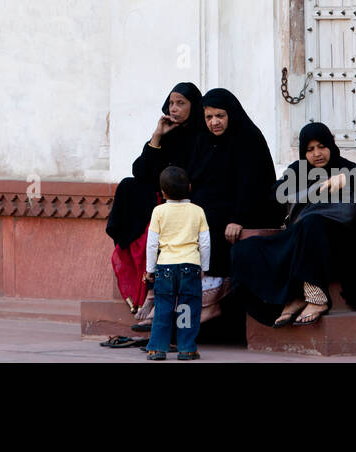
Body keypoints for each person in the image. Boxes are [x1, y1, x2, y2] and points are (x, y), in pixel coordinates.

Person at [230, 121, 356, 327]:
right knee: (245, 249)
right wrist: (313, 190)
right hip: (299, 234)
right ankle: (293, 298)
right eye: (310, 149)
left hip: (334, 240)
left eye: (322, 147)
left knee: (312, 224)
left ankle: (317, 298)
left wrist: (348, 179)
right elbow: (275, 196)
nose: (317, 154)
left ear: (331, 146)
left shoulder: (344, 167)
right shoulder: (298, 170)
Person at [104, 83, 205, 321]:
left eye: (181, 103)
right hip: (161, 198)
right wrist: (157, 136)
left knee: (159, 219)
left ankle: (153, 295)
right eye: (171, 103)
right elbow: (141, 171)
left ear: (194, 106)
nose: (174, 108)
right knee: (129, 185)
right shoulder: (168, 134)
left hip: (186, 199)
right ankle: (144, 292)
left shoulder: (201, 136)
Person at [185, 87, 280, 329]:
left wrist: (239, 218)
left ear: (231, 115)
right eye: (208, 117)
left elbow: (253, 185)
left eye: (220, 116)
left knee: (211, 225)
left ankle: (211, 304)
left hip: (246, 210)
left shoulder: (248, 138)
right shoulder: (204, 141)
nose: (214, 122)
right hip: (212, 208)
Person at [144, 166, 209, 361]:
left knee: (163, 306)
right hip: (190, 265)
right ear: (189, 187)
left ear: (162, 192)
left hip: (165, 267)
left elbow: (152, 243)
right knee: (187, 308)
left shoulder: (159, 211)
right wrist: (204, 267)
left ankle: (157, 348)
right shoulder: (197, 211)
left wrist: (150, 269)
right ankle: (187, 348)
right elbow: (205, 243)